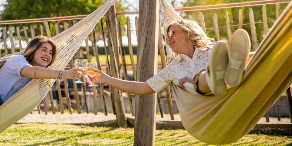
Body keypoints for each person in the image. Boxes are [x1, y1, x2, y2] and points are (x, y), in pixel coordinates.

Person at [89, 19, 251, 98]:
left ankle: (233, 69)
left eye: (173, 32)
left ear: (188, 33)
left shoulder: (212, 51)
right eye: (167, 35)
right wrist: (107, 79)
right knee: (203, 76)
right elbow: (143, 88)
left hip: (230, 92)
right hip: (206, 99)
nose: (169, 37)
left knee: (229, 56)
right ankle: (212, 75)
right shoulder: (174, 68)